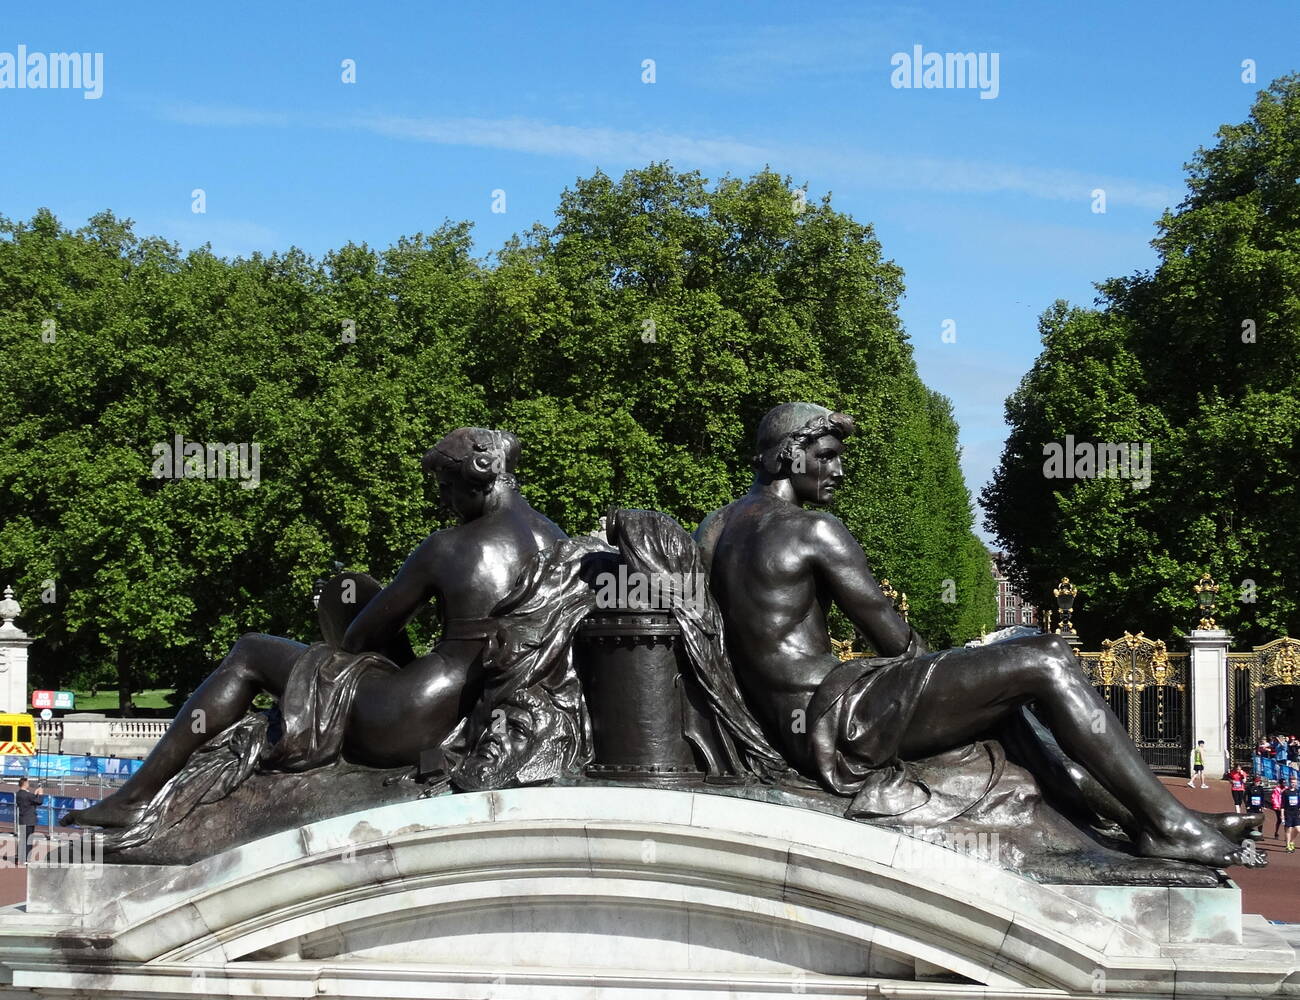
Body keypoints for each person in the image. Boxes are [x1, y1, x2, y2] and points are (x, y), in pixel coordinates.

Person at [695, 402, 1251, 867]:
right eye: (828, 457)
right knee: (1046, 657)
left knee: (1006, 688)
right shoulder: (814, 529)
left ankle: (1152, 816)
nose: (839, 471)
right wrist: (955, 672)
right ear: (793, 454)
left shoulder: (715, 529)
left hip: (796, 717)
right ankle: (1165, 824)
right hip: (842, 719)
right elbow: (896, 641)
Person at [63, 428, 566, 831]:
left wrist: (353, 600)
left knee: (251, 650)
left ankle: (133, 798)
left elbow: (359, 638)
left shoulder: (448, 547)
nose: (443, 503)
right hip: (464, 711)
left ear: (475, 481)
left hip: (404, 715)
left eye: (446, 489)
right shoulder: (558, 543)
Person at [14, 775, 43, 865]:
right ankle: (26, 859)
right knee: (28, 840)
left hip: (22, 819)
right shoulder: (27, 794)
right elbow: (39, 802)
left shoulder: (18, 794)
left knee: (23, 839)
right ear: (25, 783)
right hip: (29, 820)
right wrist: (40, 794)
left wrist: (35, 794)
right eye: (28, 782)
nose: (28, 784)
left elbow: (29, 800)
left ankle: (21, 858)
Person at [1285, 778, 1300, 852]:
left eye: (1294, 782)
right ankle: (1288, 845)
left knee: (1298, 830)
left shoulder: (1297, 792)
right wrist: (1282, 815)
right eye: (1292, 782)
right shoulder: (1286, 792)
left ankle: (1291, 841)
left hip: (1296, 813)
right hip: (1288, 813)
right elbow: (1282, 805)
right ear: (1289, 783)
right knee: (1289, 830)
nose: (1293, 784)